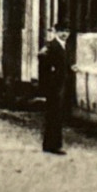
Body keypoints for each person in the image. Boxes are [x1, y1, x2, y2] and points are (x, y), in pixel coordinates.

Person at [38, 22, 72, 156]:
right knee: (55, 115)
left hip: (60, 84)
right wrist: (49, 79)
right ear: (56, 32)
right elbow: (42, 60)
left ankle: (49, 144)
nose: (65, 34)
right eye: (62, 31)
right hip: (54, 86)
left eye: (67, 31)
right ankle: (54, 145)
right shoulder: (51, 45)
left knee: (55, 115)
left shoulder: (63, 45)